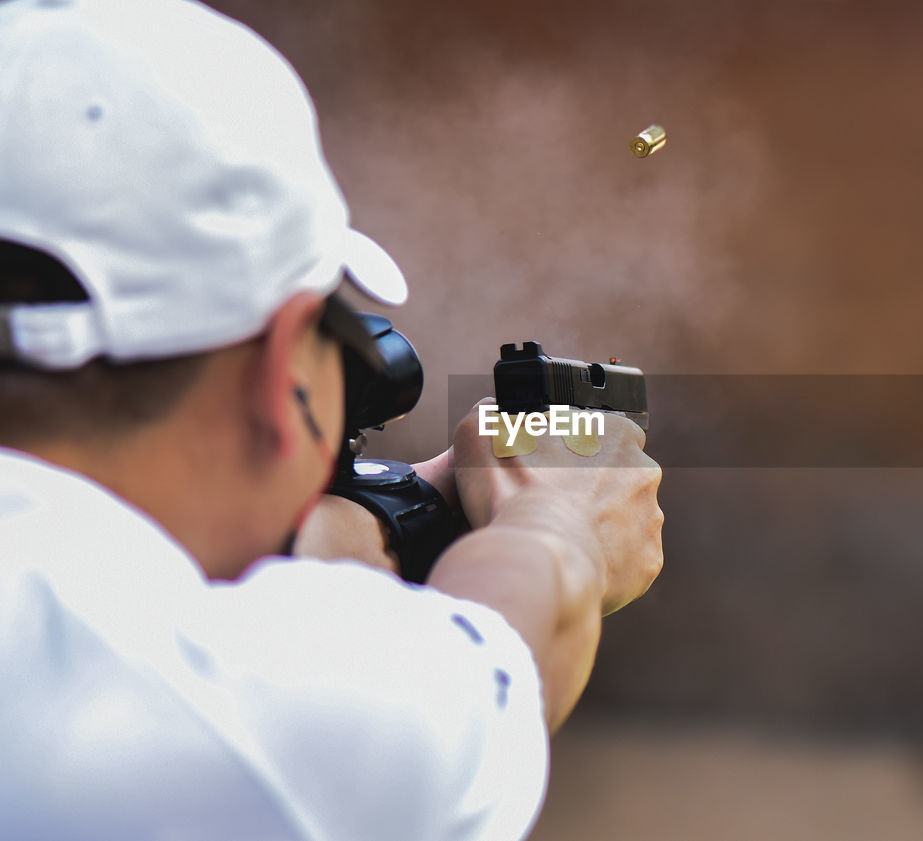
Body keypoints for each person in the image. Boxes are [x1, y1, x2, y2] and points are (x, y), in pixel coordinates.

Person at [0, 1, 664, 839]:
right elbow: (496, 666)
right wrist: (555, 516)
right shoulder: (239, 721)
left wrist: (401, 516)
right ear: (282, 367)